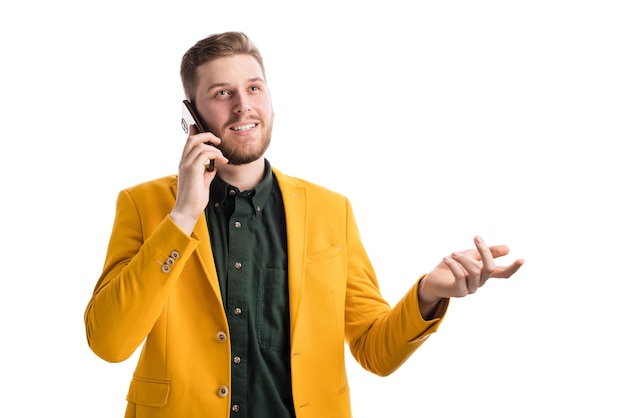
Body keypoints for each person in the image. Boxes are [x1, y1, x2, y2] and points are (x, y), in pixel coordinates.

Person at [84, 31, 524, 418]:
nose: (243, 106)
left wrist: (428, 293)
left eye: (254, 88)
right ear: (191, 114)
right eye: (222, 93)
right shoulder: (144, 205)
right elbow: (109, 343)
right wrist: (181, 217)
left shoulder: (331, 210)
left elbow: (374, 349)